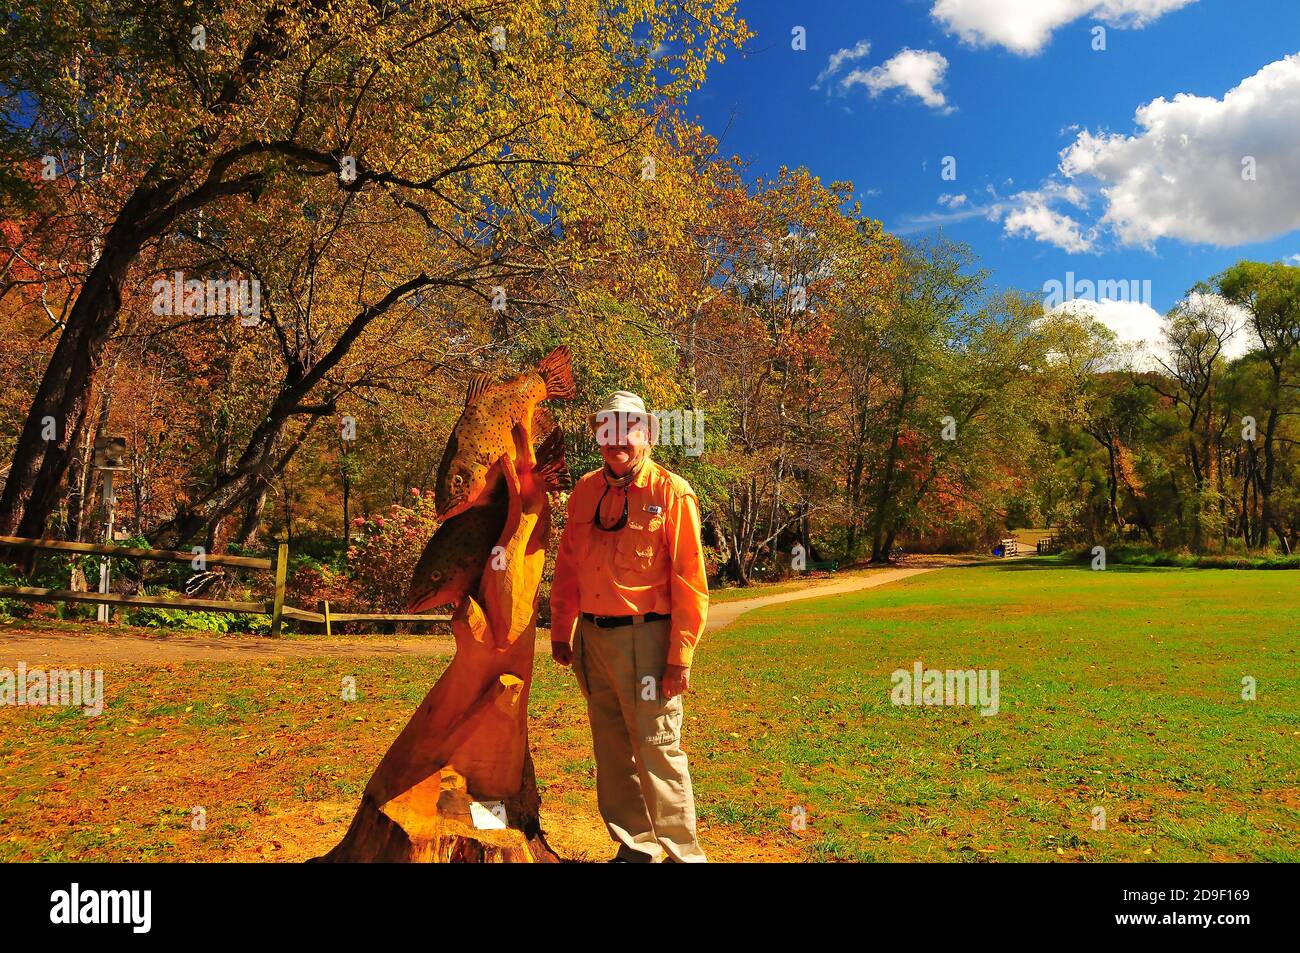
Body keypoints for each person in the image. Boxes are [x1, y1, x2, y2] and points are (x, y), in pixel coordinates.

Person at [549, 390, 709, 863]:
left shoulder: (671, 492)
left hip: (649, 638)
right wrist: (562, 629)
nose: (617, 440)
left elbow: (691, 582)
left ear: (648, 434)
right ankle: (635, 848)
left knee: (658, 749)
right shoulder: (583, 490)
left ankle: (684, 856)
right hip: (593, 640)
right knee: (612, 751)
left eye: (629, 429)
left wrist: (680, 657)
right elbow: (567, 565)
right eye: (608, 430)